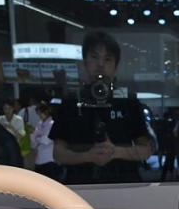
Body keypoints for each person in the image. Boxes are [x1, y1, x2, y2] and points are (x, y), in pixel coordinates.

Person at [49, 29, 154, 185]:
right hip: (80, 182)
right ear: (85, 61)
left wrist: (115, 152)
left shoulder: (127, 100)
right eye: (94, 57)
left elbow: (146, 150)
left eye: (107, 59)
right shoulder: (72, 101)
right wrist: (88, 156)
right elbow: (58, 153)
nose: (100, 64)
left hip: (123, 181)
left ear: (115, 64)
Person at [29, 102, 59, 180]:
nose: (40, 116)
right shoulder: (39, 124)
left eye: (41, 113)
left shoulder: (52, 124)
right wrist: (36, 136)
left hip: (49, 158)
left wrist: (37, 137)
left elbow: (45, 140)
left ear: (46, 111)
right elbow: (33, 140)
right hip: (39, 159)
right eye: (38, 114)